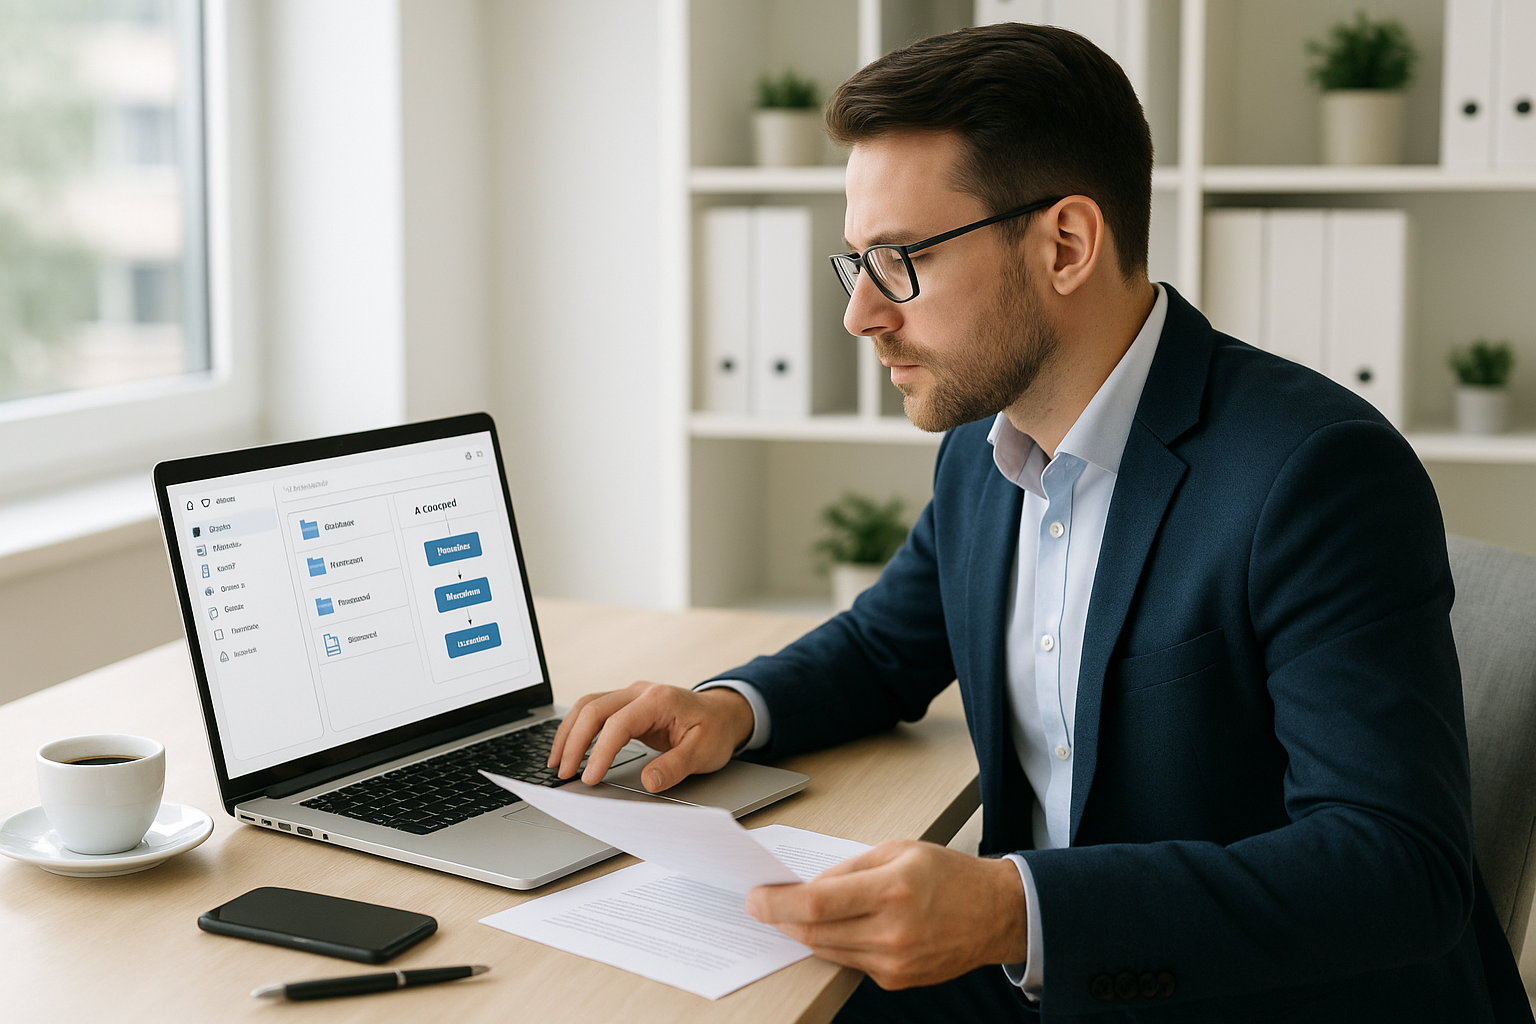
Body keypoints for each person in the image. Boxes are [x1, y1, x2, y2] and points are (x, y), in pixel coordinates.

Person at [547, 23, 1531, 1023]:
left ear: (1065, 243)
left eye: (901, 260)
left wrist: (1013, 908)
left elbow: (1396, 866)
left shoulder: (1313, 471)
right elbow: (886, 643)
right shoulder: (984, 451)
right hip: (1050, 975)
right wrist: (729, 707)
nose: (862, 317)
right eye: (858, 263)